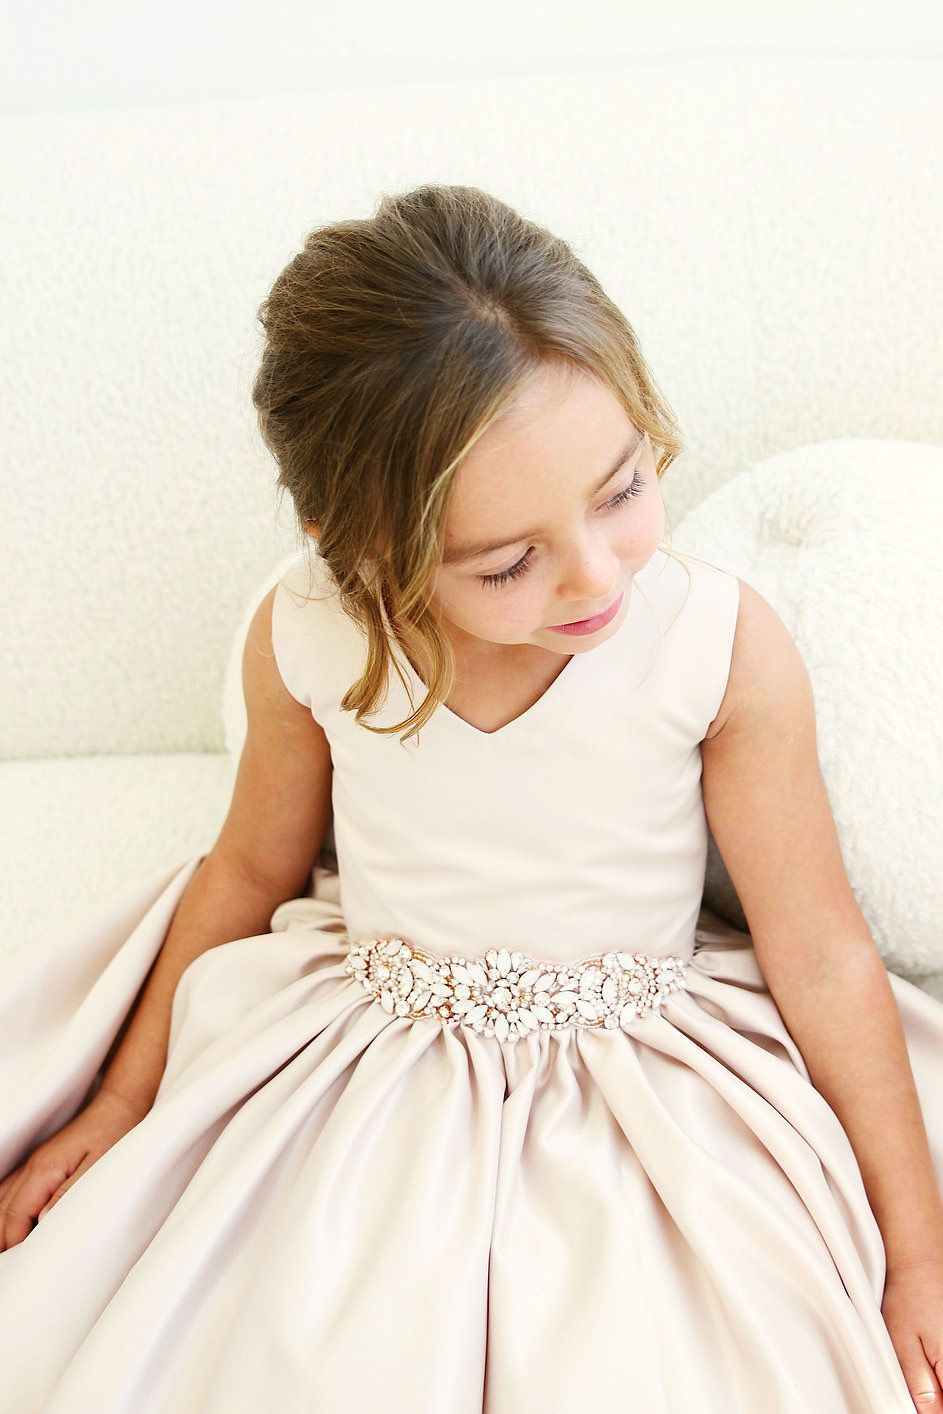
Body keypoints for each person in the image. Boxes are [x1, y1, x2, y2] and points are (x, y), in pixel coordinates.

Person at [0, 183, 940, 1414]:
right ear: (368, 551)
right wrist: (120, 1103)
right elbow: (244, 870)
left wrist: (915, 1255)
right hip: (370, 1078)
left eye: (620, 489)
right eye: (508, 561)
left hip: (648, 1088)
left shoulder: (713, 643)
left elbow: (817, 947)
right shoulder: (314, 634)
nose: (596, 573)